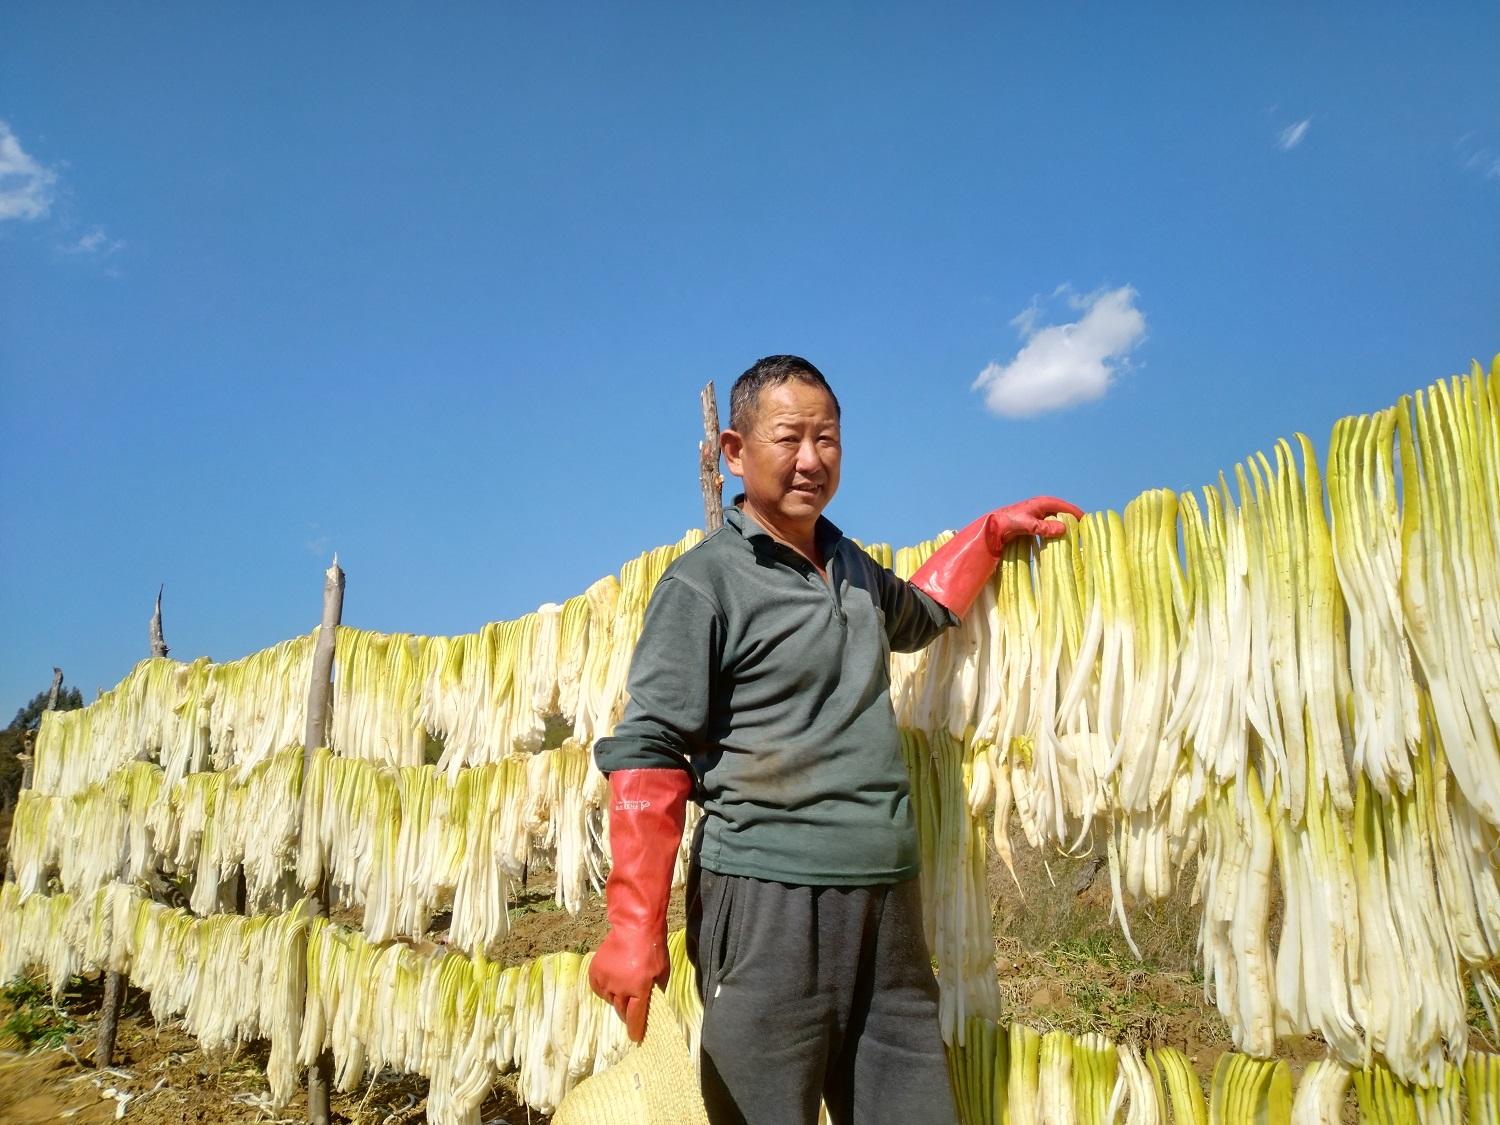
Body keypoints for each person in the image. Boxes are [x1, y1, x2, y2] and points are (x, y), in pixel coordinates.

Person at [589, 355, 1082, 1125]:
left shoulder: (852, 567)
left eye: (829, 439)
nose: (812, 459)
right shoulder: (704, 584)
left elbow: (922, 610)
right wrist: (632, 926)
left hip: (887, 903)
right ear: (733, 450)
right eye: (790, 438)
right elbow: (651, 751)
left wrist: (989, 534)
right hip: (767, 902)